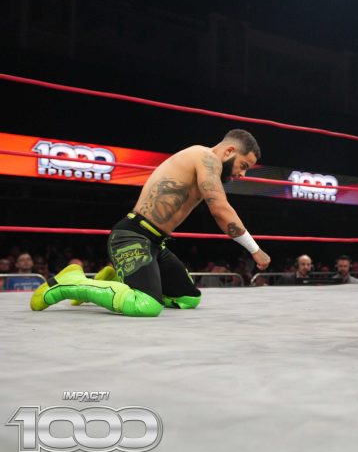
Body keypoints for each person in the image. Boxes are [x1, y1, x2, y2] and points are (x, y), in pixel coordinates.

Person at [31, 129, 271, 316]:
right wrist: (255, 250)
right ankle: (69, 282)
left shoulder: (206, 163)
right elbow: (220, 210)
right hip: (131, 236)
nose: (243, 174)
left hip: (155, 244)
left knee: (189, 298)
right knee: (147, 304)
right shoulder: (206, 158)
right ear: (229, 151)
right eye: (243, 166)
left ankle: (113, 280)